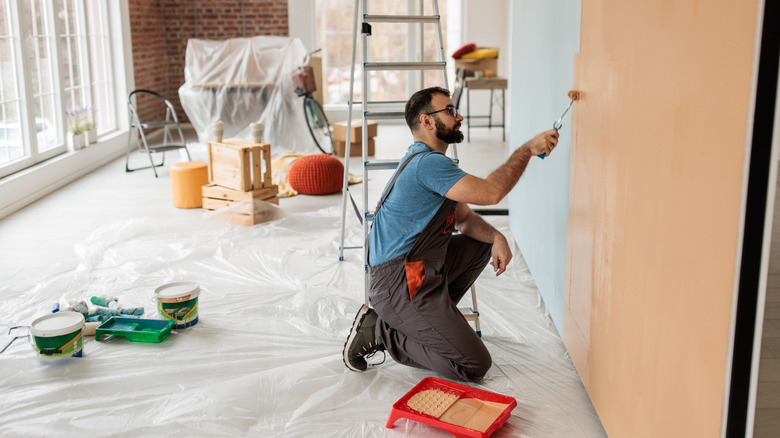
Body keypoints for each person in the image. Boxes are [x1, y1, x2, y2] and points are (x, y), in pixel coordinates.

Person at [342, 86, 559, 382]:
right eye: (450, 111)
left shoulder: (435, 164)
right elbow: (492, 192)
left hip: (417, 269)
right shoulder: (427, 164)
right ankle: (381, 330)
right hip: (397, 281)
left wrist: (497, 237)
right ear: (427, 121)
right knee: (473, 364)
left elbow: (466, 220)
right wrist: (526, 150)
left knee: (480, 245)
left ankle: (427, 321)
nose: (459, 117)